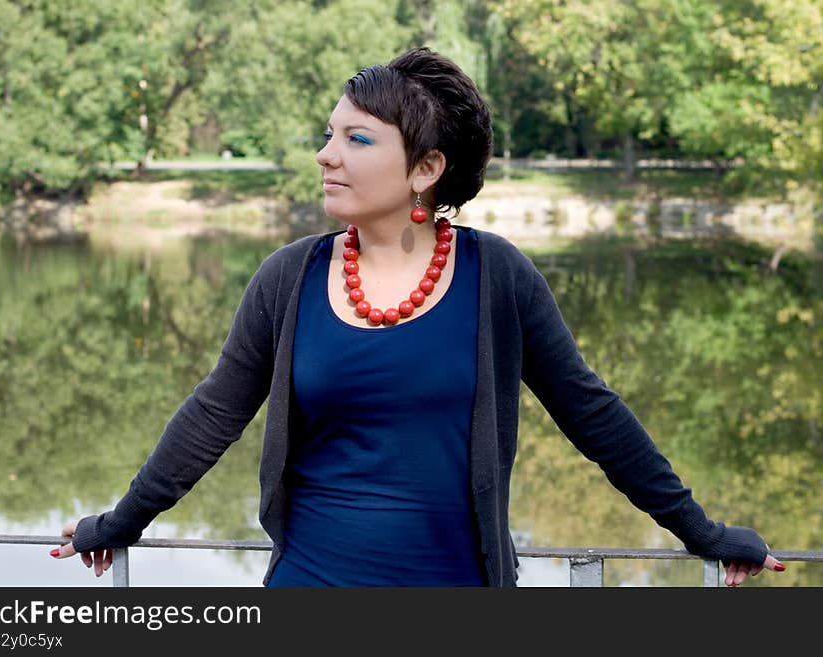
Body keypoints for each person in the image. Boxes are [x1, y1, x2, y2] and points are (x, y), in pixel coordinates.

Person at [51, 47, 784, 587]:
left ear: (426, 169)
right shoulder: (288, 278)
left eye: (356, 139)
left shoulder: (498, 278)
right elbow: (212, 415)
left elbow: (593, 415)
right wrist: (119, 522)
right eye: (330, 134)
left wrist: (703, 531)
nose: (325, 155)